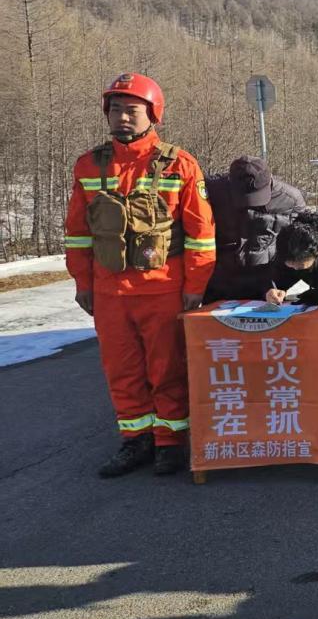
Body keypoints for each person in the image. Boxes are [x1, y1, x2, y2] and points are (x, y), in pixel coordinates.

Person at [63, 73, 216, 477]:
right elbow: (78, 233)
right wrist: (82, 282)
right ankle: (136, 440)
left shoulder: (179, 164)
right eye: (115, 109)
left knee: (167, 369)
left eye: (132, 110)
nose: (123, 117)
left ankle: (170, 442)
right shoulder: (88, 165)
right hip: (109, 292)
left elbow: (201, 234)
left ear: (153, 114)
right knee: (122, 370)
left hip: (163, 288)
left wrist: (195, 287)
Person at [267, 210, 318, 425]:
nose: (294, 270)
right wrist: (275, 290)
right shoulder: (289, 244)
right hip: (310, 306)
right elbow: (278, 276)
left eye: (300, 267)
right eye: (290, 265)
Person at [203, 156, 305, 302]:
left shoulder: (291, 200)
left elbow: (296, 250)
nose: (249, 204)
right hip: (219, 284)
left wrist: (280, 287)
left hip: (266, 285)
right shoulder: (211, 192)